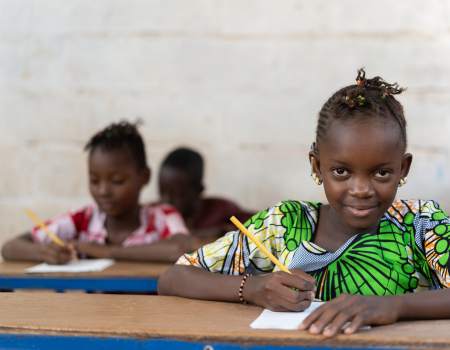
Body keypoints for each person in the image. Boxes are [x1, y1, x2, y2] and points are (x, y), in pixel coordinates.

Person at [158, 69, 450, 337]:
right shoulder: (282, 224)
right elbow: (173, 278)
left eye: (381, 172)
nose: (361, 189)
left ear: (404, 169)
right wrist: (253, 287)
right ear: (316, 165)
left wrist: (393, 307)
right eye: (341, 171)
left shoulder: (421, 224)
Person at [2, 121, 193, 264]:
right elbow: (10, 247)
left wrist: (107, 251)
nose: (103, 191)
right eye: (94, 180)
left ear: (144, 177)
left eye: (117, 181)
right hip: (92, 314)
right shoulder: (82, 219)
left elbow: (182, 248)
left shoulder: (161, 216)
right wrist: (44, 252)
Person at [158, 147, 253, 239]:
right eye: (162, 192)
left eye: (178, 195)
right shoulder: (154, 215)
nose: (167, 200)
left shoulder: (222, 211)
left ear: (199, 190)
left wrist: (222, 232)